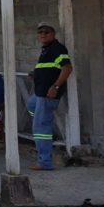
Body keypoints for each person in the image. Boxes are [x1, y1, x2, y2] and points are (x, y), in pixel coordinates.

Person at [29, 22, 72, 171]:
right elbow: (50, 69)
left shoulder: (57, 49)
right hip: (40, 93)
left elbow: (67, 68)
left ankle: (45, 162)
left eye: (46, 32)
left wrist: (56, 86)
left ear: (53, 34)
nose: (42, 34)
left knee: (40, 127)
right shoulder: (46, 50)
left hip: (48, 94)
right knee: (31, 106)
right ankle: (43, 123)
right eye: (40, 32)